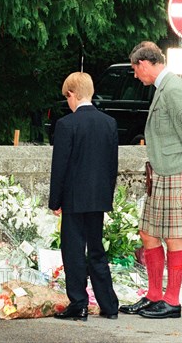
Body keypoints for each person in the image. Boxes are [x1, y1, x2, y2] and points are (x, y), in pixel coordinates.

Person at [118, 42, 182, 319]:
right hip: (162, 172)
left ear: (145, 64)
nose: (136, 76)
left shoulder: (174, 88)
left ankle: (171, 302)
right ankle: (153, 296)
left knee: (174, 238)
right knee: (148, 234)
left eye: (136, 70)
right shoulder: (163, 88)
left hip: (178, 171)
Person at [49, 72, 120, 321]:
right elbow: (113, 166)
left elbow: (60, 167)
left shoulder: (66, 125)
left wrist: (54, 201)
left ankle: (79, 303)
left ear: (71, 94)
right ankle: (109, 305)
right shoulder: (109, 123)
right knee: (97, 250)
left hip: (73, 198)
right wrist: (106, 196)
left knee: (74, 251)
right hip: (98, 198)